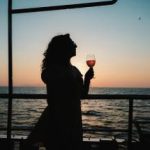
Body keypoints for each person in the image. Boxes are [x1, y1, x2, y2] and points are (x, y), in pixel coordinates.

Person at [25, 33, 94, 150]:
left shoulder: (74, 70)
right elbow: (59, 92)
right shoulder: (52, 70)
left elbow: (82, 95)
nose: (76, 45)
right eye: (72, 43)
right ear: (63, 48)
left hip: (74, 118)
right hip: (58, 119)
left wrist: (87, 79)